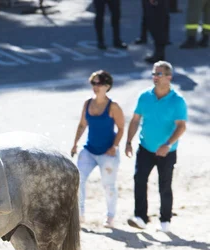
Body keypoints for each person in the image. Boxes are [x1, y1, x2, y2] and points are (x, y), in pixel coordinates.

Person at [125, 61, 187, 233]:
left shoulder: (177, 101)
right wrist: (129, 141)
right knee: (139, 179)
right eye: (154, 74)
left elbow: (181, 126)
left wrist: (167, 144)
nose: (155, 77)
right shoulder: (144, 96)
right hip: (145, 147)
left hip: (167, 151)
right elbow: (136, 119)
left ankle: (165, 220)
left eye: (159, 74)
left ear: (169, 77)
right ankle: (140, 217)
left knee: (164, 185)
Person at [71, 71, 125, 228]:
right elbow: (82, 124)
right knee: (78, 180)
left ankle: (110, 217)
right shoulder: (88, 103)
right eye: (93, 83)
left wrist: (114, 146)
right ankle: (80, 215)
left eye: (99, 84)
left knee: (109, 185)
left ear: (107, 86)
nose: (95, 87)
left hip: (108, 152)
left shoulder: (113, 106)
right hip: (89, 149)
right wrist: (75, 143)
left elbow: (121, 128)